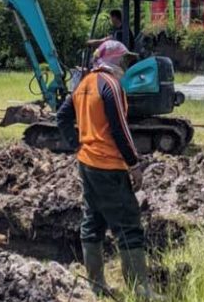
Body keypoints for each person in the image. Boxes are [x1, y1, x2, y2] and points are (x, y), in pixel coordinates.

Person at [56, 40, 161, 300]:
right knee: (128, 224)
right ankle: (140, 290)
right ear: (114, 61)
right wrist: (133, 163)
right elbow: (120, 128)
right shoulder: (110, 85)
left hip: (87, 163)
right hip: (108, 166)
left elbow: (62, 116)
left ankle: (96, 286)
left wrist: (77, 144)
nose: (125, 66)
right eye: (123, 60)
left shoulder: (83, 85)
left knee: (93, 221)